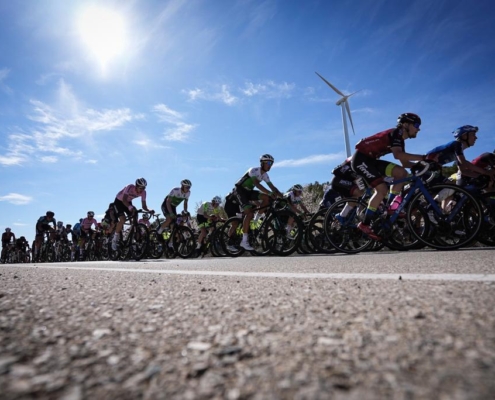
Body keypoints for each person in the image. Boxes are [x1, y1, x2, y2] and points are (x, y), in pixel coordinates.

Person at [351, 113, 426, 240]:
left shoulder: (400, 139)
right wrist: (423, 158)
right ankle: (365, 223)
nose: (419, 129)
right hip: (361, 160)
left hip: (371, 161)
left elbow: (404, 163)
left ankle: (391, 207)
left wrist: (422, 165)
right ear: (405, 124)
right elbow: (398, 155)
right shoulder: (396, 133)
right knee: (382, 190)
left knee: (401, 173)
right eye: (417, 125)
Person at [234, 154, 283, 250]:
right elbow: (256, 184)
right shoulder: (253, 170)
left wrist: (282, 196)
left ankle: (257, 218)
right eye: (268, 163)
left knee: (266, 198)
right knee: (249, 214)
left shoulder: (265, 175)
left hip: (249, 192)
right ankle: (244, 241)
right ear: (262, 163)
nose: (270, 165)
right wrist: (270, 193)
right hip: (240, 190)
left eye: (271, 163)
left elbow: (273, 188)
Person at [426, 126, 495, 187]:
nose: (476, 138)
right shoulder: (457, 144)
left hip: (431, 168)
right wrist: (485, 173)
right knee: (451, 188)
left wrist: (481, 176)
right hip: (427, 167)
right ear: (464, 136)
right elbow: (464, 163)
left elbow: (464, 171)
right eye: (473, 135)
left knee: (449, 191)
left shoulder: (458, 150)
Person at [112, 178, 155, 251]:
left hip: (128, 202)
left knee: (135, 218)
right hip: (119, 201)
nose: (142, 189)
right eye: (140, 187)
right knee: (123, 219)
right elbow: (124, 200)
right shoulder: (129, 187)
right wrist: (130, 207)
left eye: (144, 188)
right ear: (136, 186)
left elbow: (144, 206)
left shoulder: (144, 192)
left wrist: (150, 210)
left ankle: (131, 237)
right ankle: (115, 239)